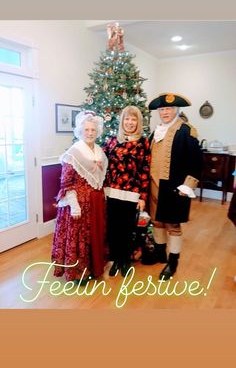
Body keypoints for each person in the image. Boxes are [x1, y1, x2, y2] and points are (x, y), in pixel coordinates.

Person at [148, 92, 203, 280]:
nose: (165, 112)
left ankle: (173, 261)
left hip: (175, 188)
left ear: (176, 110)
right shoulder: (154, 132)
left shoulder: (187, 131)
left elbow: (197, 162)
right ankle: (160, 253)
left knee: (173, 224)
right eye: (162, 109)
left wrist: (187, 186)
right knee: (156, 221)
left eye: (168, 108)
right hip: (153, 186)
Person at [51, 111, 108, 283]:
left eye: (93, 130)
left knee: (95, 236)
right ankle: (78, 273)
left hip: (96, 202)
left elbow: (101, 179)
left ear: (97, 131)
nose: (90, 133)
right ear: (80, 131)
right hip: (79, 204)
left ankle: (93, 267)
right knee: (80, 238)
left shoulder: (100, 151)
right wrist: (74, 205)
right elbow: (66, 182)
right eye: (87, 130)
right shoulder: (73, 152)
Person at [103, 105, 151, 277]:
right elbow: (101, 164)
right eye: (127, 118)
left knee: (127, 229)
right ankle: (115, 260)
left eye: (134, 119)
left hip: (132, 194)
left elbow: (145, 170)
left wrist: (143, 197)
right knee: (114, 229)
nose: (130, 122)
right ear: (122, 120)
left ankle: (125, 260)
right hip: (112, 193)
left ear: (138, 122)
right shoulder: (112, 141)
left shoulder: (143, 142)